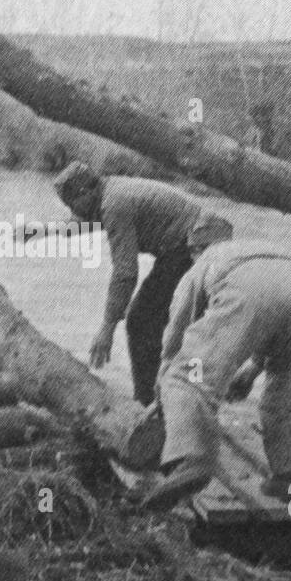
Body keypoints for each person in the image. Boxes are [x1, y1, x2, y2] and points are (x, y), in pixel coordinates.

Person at [138, 215, 291, 510]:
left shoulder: (205, 260)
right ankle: (286, 476)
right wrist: (251, 370)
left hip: (250, 290)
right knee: (285, 384)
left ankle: (194, 458)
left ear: (195, 249)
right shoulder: (259, 247)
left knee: (186, 378)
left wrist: (164, 375)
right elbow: (276, 304)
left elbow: (177, 325)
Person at [52, 160, 204, 405]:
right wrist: (38, 232)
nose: (72, 211)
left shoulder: (114, 206)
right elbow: (79, 223)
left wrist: (107, 327)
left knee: (140, 321)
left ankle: (148, 403)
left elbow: (125, 272)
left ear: (85, 193)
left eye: (71, 204)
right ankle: (172, 396)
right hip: (193, 239)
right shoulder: (108, 190)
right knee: (170, 322)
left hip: (191, 247)